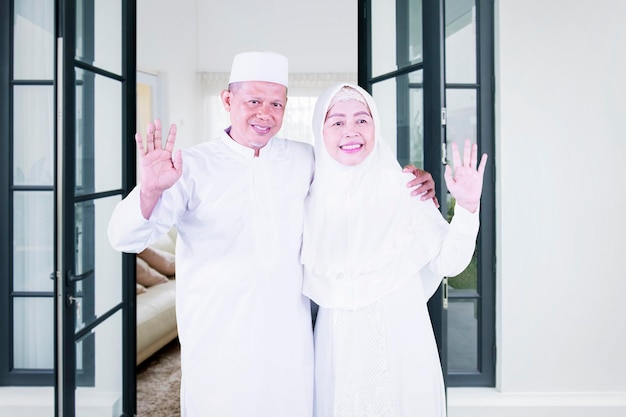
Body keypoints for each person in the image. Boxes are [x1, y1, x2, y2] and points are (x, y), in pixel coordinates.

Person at [108, 52, 437, 416]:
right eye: (254, 101)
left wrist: (416, 184)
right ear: (227, 100)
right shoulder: (190, 166)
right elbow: (124, 239)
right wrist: (150, 190)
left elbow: (358, 179)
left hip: (290, 345)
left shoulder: (304, 159)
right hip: (218, 343)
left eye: (276, 103)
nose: (265, 113)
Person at [301, 83, 488, 417]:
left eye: (362, 120)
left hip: (403, 341)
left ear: (376, 126)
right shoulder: (304, 197)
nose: (351, 131)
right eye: (337, 122)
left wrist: (468, 206)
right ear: (320, 129)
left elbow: (451, 261)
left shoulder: (405, 186)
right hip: (337, 347)